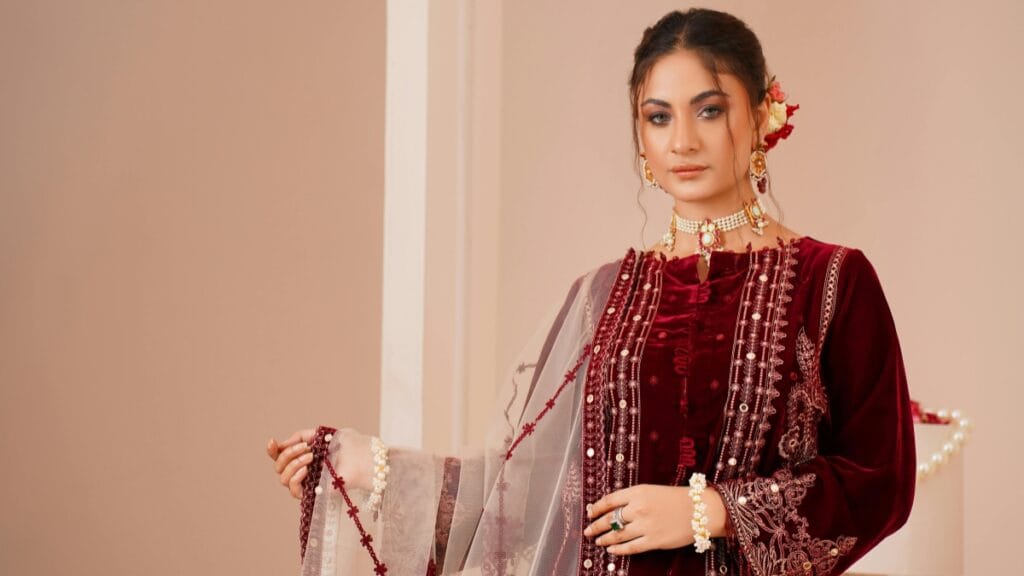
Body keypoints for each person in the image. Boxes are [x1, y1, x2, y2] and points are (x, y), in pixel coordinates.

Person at [267, 7, 915, 575]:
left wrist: (708, 510)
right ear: (641, 137)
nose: (682, 141)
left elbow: (880, 481)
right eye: (658, 117)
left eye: (709, 110)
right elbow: (528, 496)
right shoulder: (602, 295)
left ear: (762, 113)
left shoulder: (833, 279)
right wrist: (373, 473)